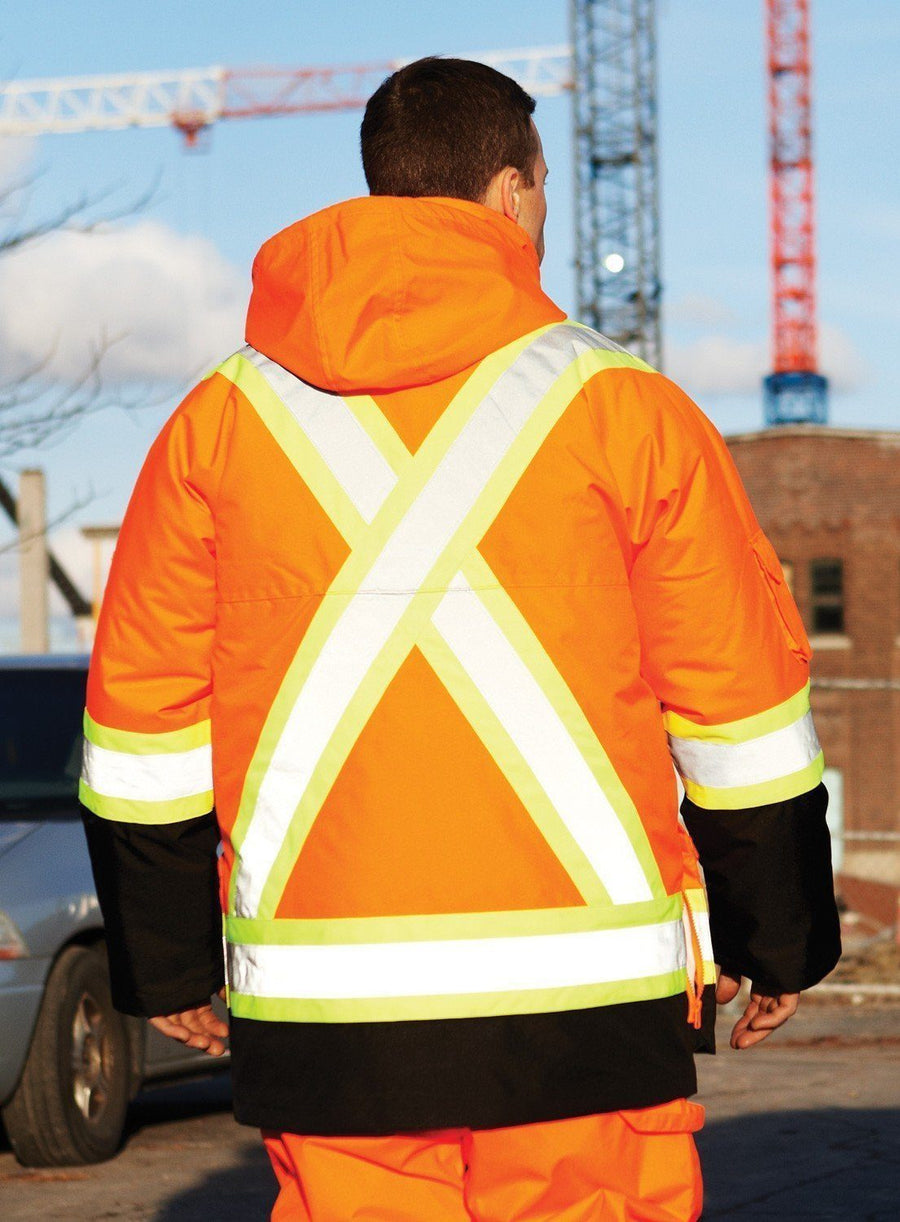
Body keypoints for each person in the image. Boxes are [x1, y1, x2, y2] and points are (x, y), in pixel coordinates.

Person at [80, 56, 841, 1221]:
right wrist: (775, 937)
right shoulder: (627, 410)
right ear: (513, 192)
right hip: (589, 1014)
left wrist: (168, 958)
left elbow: (145, 722)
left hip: (327, 1014)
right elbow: (738, 715)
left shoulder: (218, 423)